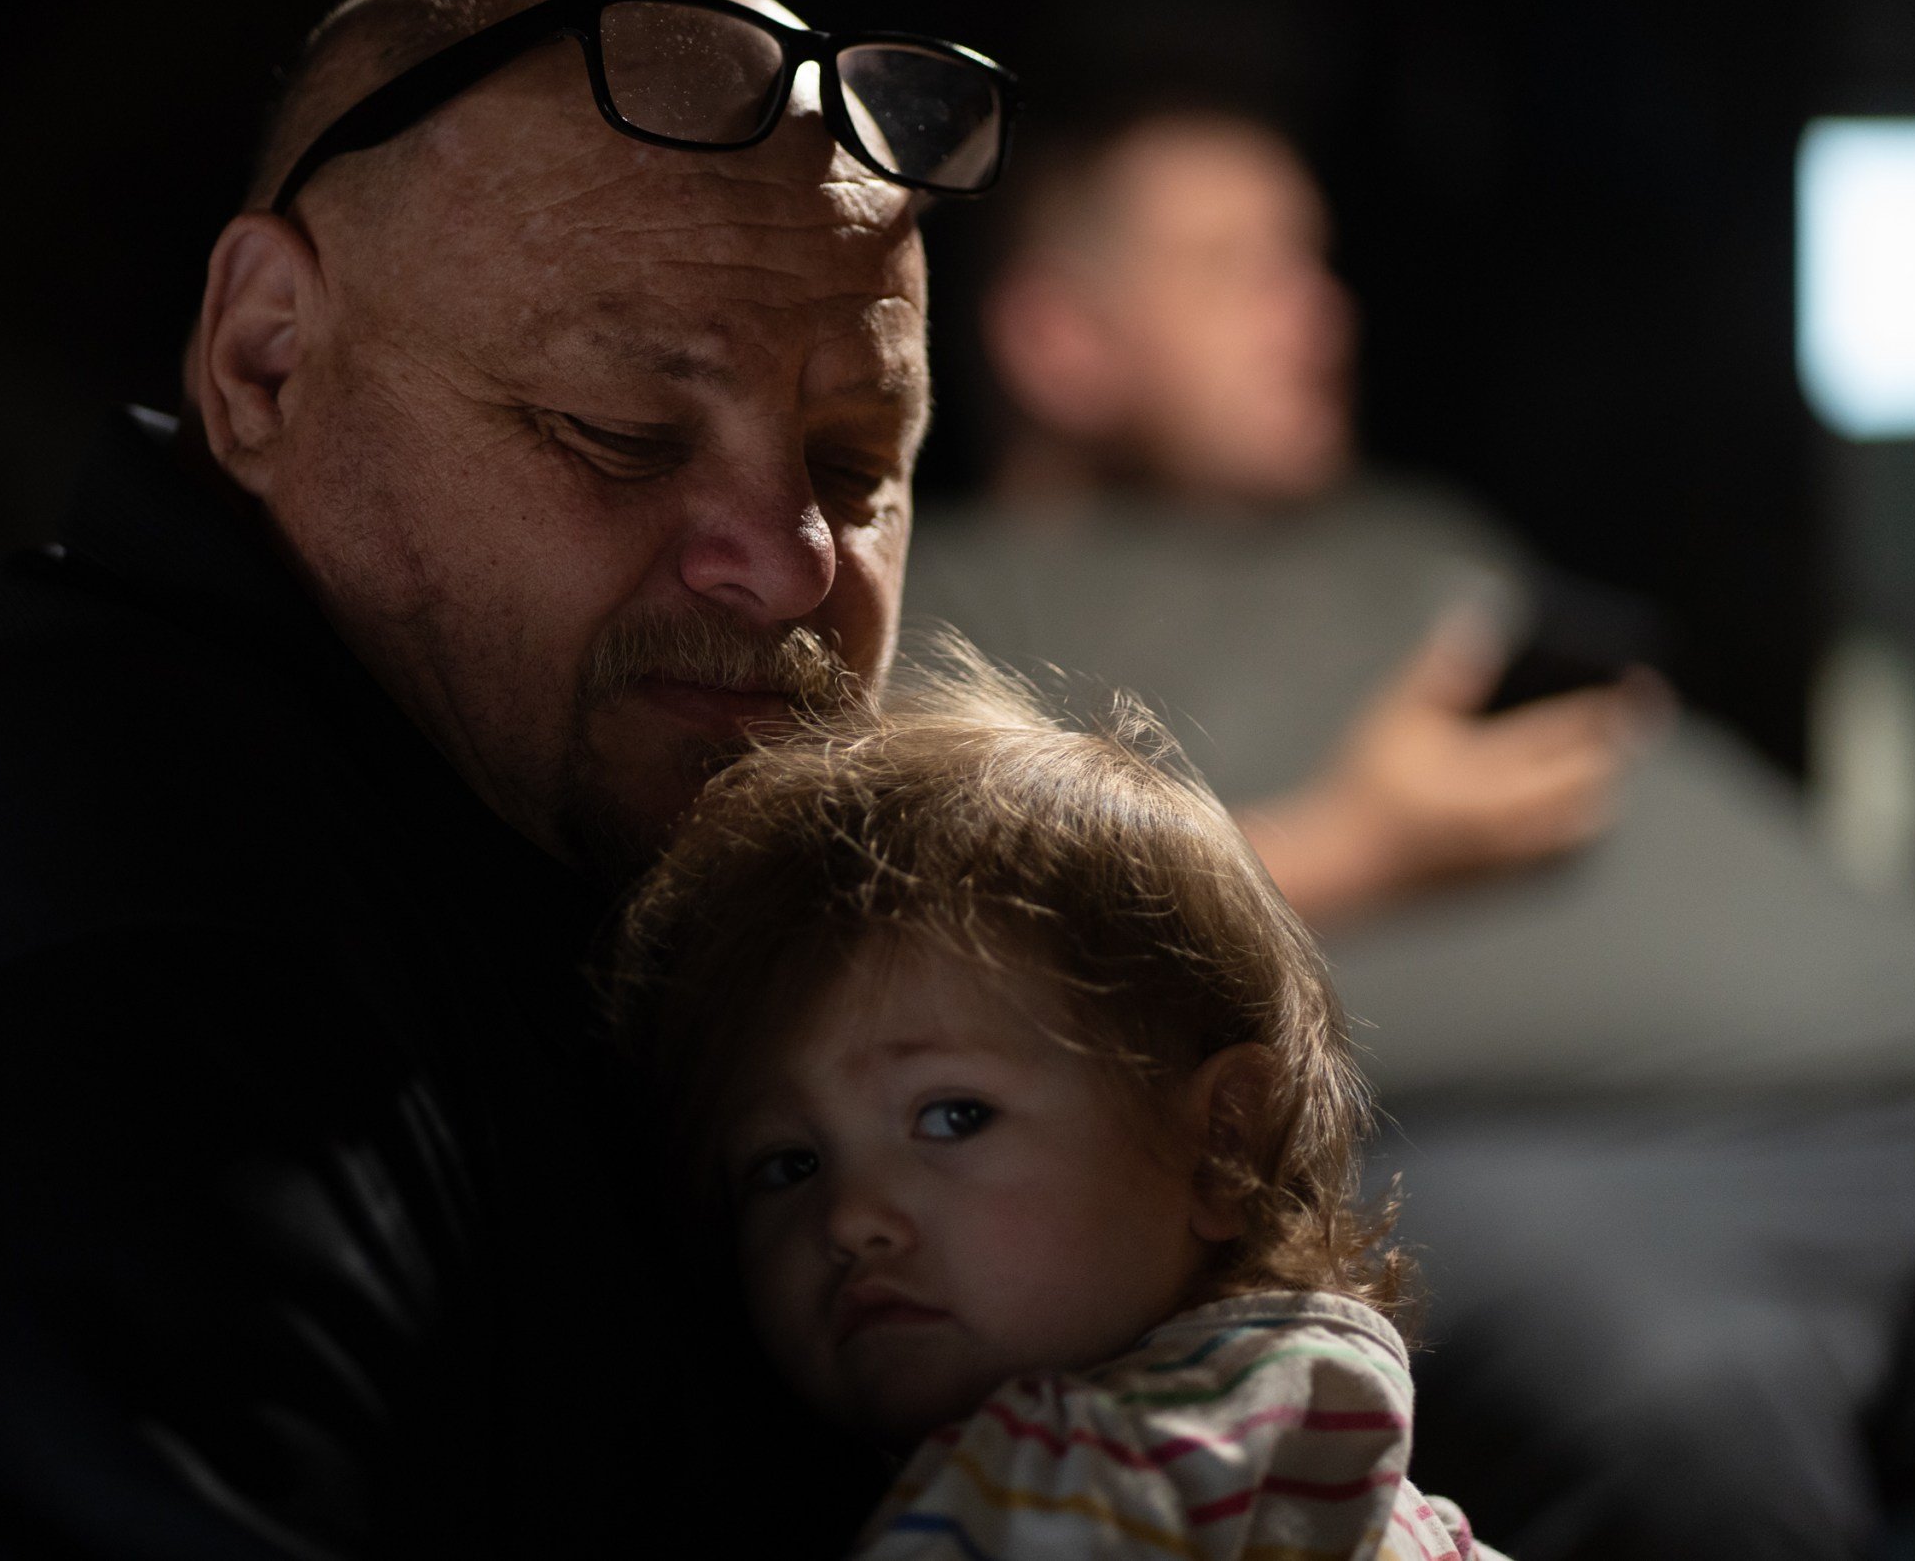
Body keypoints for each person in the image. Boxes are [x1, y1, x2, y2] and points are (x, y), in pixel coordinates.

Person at [0, 0, 1017, 1556]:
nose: (788, 562)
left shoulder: (571, 908)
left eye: (858, 461)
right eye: (618, 432)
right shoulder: (116, 951)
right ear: (263, 357)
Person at [905, 103, 1915, 1557]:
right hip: (1576, 1165)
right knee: (1683, 1411)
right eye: (1231, 264)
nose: (1315, 311)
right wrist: (1365, 839)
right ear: (1060, 336)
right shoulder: (968, 599)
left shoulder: (1414, 531)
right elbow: (950, 962)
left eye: (1307, 259)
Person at [608, 653, 1500, 1560]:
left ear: (1224, 1142)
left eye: (952, 1116)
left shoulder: (1094, 1469)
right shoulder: (1317, 1468)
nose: (849, 1220)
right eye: (785, 1166)